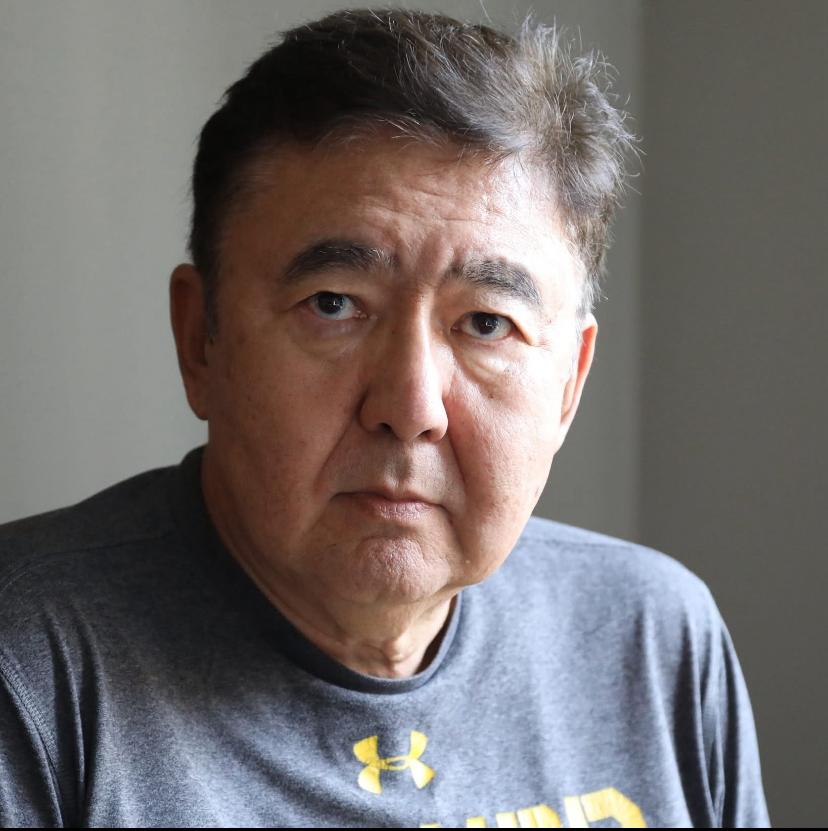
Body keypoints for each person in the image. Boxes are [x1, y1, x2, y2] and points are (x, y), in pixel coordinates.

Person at [0, 8, 769, 828]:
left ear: (569, 384)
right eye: (334, 304)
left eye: (486, 323)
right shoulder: (32, 669)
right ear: (201, 341)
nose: (410, 408)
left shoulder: (650, 639)